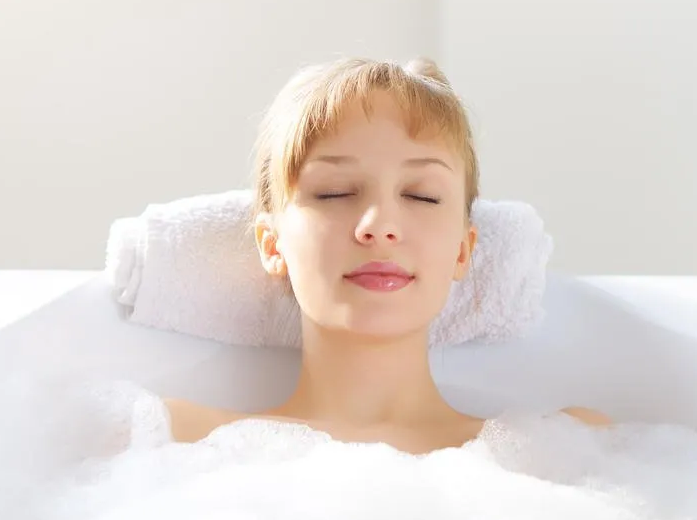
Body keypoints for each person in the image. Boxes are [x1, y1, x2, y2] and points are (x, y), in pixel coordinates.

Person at [166, 57, 610, 454]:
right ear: (272, 244)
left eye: (421, 196)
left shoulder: (563, 453)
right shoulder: (177, 443)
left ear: (463, 250)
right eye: (335, 192)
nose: (379, 225)